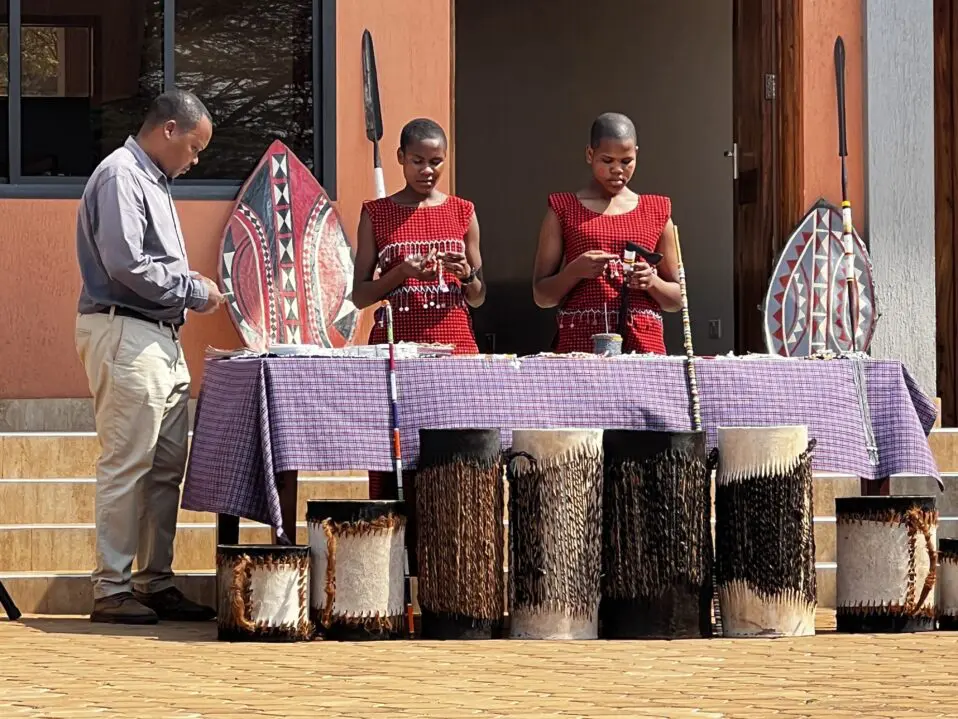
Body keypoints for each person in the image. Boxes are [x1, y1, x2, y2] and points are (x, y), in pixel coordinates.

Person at [74, 89, 226, 624]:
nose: (196, 158)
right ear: (167, 130)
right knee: (128, 462)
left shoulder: (154, 181)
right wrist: (192, 288)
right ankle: (112, 588)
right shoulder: (121, 175)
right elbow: (126, 264)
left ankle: (153, 580)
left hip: (159, 336)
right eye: (194, 146)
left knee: (164, 468)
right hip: (126, 331)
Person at [351, 117, 486, 539]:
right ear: (400, 159)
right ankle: (393, 549)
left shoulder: (463, 212)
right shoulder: (377, 213)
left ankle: (454, 550)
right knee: (396, 452)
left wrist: (466, 276)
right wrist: (400, 274)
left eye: (436, 162)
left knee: (456, 452)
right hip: (397, 349)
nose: (427, 170)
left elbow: (479, 295)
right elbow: (359, 295)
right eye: (417, 161)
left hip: (454, 345)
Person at [532, 112, 682, 354]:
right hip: (581, 347)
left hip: (643, 348)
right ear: (590, 155)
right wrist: (574, 271)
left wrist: (651, 282)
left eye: (626, 161)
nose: (617, 170)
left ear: (637, 155)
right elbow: (542, 295)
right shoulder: (563, 209)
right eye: (607, 160)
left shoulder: (657, 210)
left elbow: (677, 299)